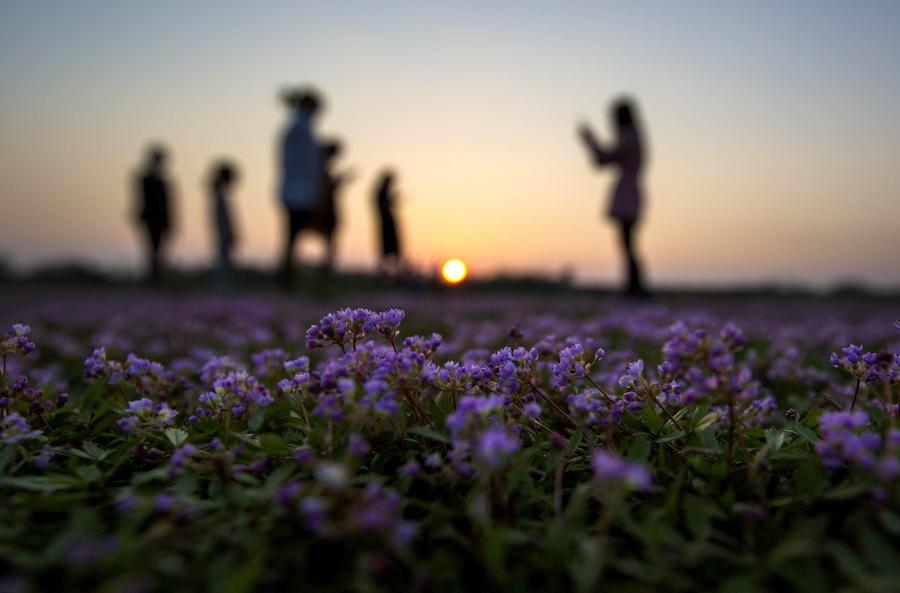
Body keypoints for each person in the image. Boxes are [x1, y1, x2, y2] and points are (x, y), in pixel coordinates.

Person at [578, 98, 648, 298]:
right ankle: (634, 287)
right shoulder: (636, 136)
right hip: (632, 192)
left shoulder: (628, 137)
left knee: (627, 243)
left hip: (627, 195)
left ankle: (635, 289)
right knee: (628, 243)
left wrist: (589, 140)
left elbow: (603, 159)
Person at [277, 87, 323, 290]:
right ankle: (288, 280)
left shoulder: (296, 127)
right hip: (300, 192)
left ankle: (290, 278)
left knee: (292, 238)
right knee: (292, 238)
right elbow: (306, 164)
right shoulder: (301, 129)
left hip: (295, 190)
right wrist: (315, 191)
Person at [134, 145, 174, 284]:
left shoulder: (160, 180)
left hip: (158, 220)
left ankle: (156, 277)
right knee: (153, 251)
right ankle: (153, 278)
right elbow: (143, 200)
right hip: (152, 220)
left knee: (157, 251)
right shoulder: (148, 179)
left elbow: (168, 204)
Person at [314, 140, 354, 277]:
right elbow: (327, 186)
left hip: (326, 207)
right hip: (323, 208)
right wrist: (341, 180)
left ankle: (326, 273)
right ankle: (325, 274)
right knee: (330, 244)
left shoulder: (320, 167)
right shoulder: (318, 167)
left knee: (330, 244)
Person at [208, 160, 239, 286]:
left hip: (223, 236)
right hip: (223, 236)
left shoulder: (218, 196)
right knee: (223, 263)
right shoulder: (219, 197)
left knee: (223, 262)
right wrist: (229, 234)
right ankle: (221, 287)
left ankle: (222, 286)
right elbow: (223, 220)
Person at [374, 169, 402, 279]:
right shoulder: (380, 194)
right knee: (386, 251)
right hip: (386, 225)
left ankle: (393, 275)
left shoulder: (383, 194)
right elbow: (382, 208)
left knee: (393, 252)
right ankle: (385, 275)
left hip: (389, 223)